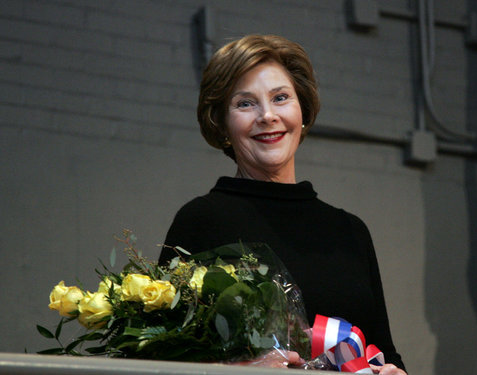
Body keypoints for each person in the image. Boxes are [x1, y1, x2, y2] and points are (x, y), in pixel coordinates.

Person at [158, 34, 407, 374]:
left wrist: (395, 372)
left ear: (301, 111)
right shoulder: (200, 221)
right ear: (222, 125)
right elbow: (161, 355)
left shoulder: (350, 231)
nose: (267, 115)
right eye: (245, 104)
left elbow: (386, 349)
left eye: (280, 98)